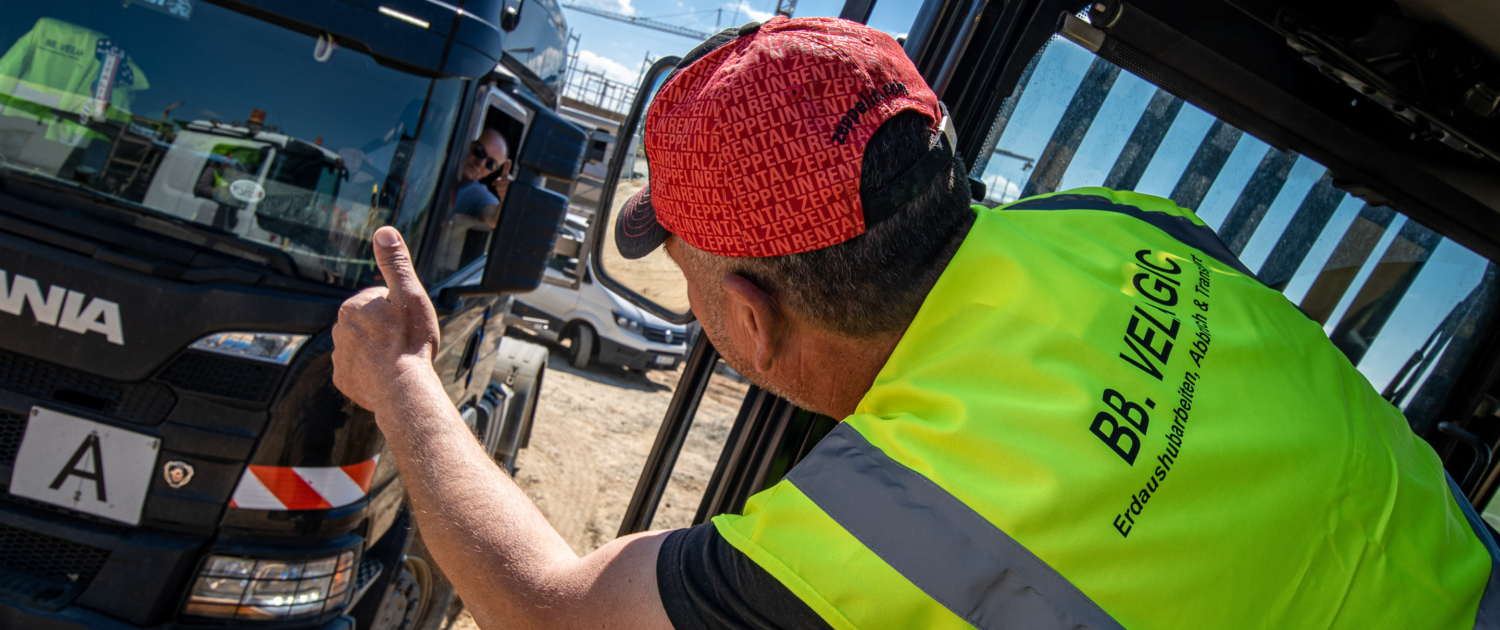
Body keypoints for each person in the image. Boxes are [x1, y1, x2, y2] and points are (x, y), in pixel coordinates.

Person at [331, 17, 1500, 630]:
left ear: (749, 316)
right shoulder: (1126, 223)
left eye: (683, 277)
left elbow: (549, 613)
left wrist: (402, 376)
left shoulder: (885, 524)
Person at [454, 128, 512, 228]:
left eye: (490, 164)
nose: (480, 163)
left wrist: (509, 195)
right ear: (467, 143)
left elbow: (495, 218)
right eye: (479, 151)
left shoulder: (477, 196)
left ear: (492, 172)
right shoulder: (430, 158)